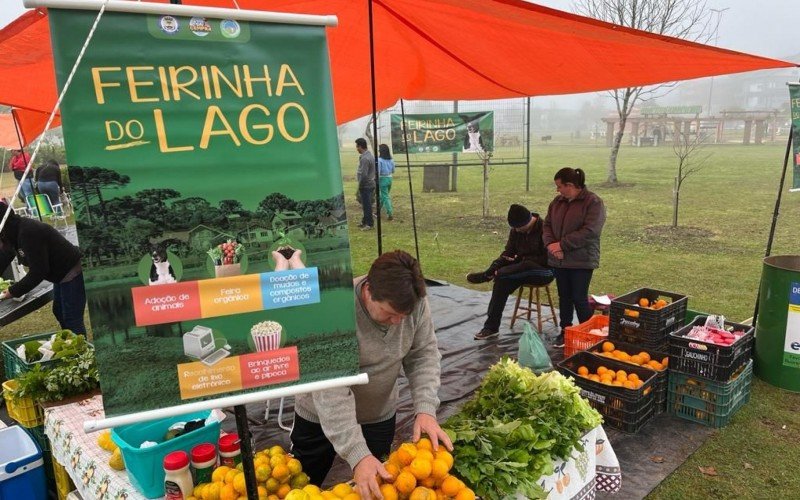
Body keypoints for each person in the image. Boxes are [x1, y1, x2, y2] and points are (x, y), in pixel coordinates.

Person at [291, 250, 452, 499]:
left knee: (377, 487)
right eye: (389, 314)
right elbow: (331, 391)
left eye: (403, 315)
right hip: (319, 416)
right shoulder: (333, 309)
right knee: (300, 488)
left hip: (378, 415)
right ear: (368, 291)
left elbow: (423, 355)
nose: (398, 322)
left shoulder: (414, 303)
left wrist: (425, 408)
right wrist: (358, 454)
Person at [467, 204, 553, 340]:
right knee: (502, 280)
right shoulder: (515, 231)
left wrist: (520, 260)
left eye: (518, 227)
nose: (516, 230)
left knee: (525, 265)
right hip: (519, 268)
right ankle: (491, 327)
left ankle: (496, 273)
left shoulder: (545, 229)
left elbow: (548, 257)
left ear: (527, 221)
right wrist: (496, 265)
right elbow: (509, 253)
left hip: (544, 270)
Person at [0, 201, 86, 334]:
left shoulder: (28, 232)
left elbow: (38, 272)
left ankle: (80, 350)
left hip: (72, 271)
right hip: (59, 275)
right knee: (59, 312)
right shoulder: (12, 232)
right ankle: (72, 342)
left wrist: (12, 291)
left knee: (71, 318)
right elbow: (6, 255)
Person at [542, 167, 606, 348]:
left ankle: (588, 334)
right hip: (559, 260)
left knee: (579, 297)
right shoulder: (557, 202)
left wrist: (562, 245)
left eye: (559, 186)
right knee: (564, 297)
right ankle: (566, 330)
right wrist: (551, 246)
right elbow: (546, 226)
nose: (558, 190)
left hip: (581, 261)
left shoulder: (593, 202)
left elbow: (590, 231)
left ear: (570, 185)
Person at [355, 138, 376, 231]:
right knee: (365, 204)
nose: (357, 149)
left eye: (357, 146)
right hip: (370, 184)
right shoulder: (369, 155)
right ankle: (364, 221)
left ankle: (369, 224)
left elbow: (363, 174)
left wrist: (360, 185)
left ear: (360, 146)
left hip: (366, 185)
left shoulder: (365, 158)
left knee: (367, 205)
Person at [377, 144, 395, 221]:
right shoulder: (391, 160)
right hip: (390, 178)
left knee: (385, 196)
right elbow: (393, 170)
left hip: (382, 179)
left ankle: (390, 213)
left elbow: (378, 172)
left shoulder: (379, 160)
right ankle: (377, 211)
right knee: (384, 195)